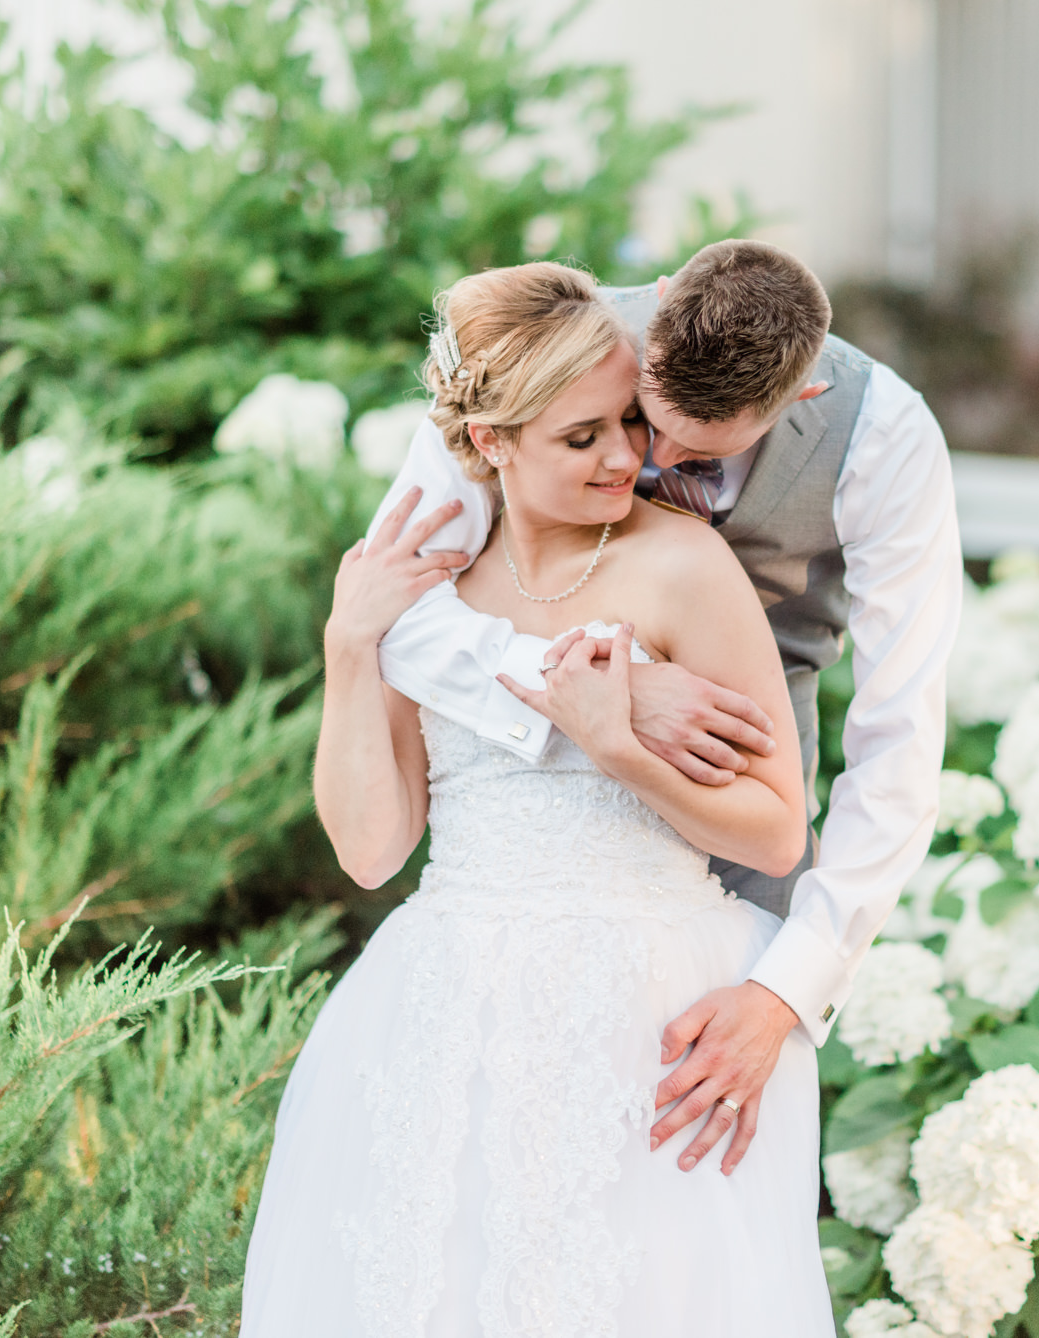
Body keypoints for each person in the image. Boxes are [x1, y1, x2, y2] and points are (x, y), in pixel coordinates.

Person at [241, 261, 839, 1335]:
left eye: (625, 423)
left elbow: (777, 828)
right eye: (581, 438)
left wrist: (618, 745)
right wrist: (348, 642)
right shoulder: (428, 595)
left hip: (643, 1020)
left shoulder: (683, 566)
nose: (626, 458)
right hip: (447, 1012)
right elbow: (373, 848)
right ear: (489, 443)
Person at [373, 240, 962, 1175]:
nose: (651, 464)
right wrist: (614, 689)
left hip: (748, 802)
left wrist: (786, 990)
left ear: (799, 396)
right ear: (644, 337)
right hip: (544, 832)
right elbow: (395, 613)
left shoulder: (886, 437)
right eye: (649, 421)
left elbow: (899, 740)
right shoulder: (542, 347)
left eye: (705, 449)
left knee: (697, 1174)